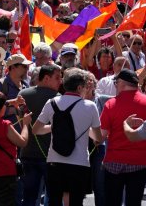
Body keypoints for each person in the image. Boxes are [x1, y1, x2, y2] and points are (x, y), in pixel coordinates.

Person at [32, 69, 104, 206]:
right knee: (75, 202)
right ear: (79, 87)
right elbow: (99, 138)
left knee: (54, 200)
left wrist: (54, 128)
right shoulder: (90, 106)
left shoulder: (52, 102)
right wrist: (86, 131)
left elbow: (36, 130)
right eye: (85, 87)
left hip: (54, 161)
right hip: (79, 163)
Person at [100, 68, 146, 206]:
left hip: (114, 162)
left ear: (121, 83)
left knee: (112, 201)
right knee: (134, 201)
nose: (115, 86)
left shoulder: (111, 104)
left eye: (116, 82)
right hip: (139, 162)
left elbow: (101, 136)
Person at [18, 64, 62, 206]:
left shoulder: (23, 94)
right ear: (46, 78)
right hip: (51, 157)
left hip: (28, 154)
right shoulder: (58, 98)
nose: (60, 81)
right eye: (57, 78)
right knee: (54, 197)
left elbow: (21, 124)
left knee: (29, 197)